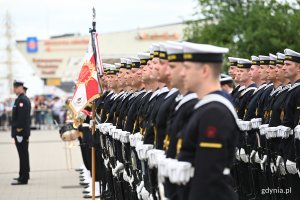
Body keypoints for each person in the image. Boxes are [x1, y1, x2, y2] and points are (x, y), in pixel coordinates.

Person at [11, 80, 31, 185]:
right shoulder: (20, 99)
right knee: (22, 154)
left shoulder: (22, 100)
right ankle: (22, 174)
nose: (14, 90)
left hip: (21, 133)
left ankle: (24, 178)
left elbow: (22, 119)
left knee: (23, 155)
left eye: (15, 88)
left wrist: (18, 132)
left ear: (20, 88)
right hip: (21, 132)